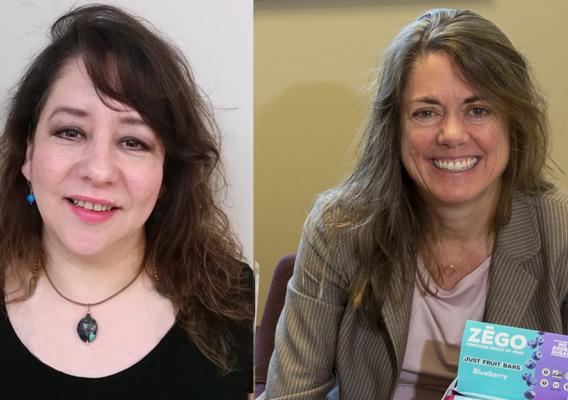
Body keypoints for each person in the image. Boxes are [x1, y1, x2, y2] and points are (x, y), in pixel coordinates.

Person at [262, 8, 568, 400]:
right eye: (426, 112)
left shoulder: (559, 231)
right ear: (395, 128)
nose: (452, 134)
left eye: (478, 110)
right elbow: (293, 393)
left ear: (513, 122)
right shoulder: (339, 227)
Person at [0, 4, 253, 399]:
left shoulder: (235, 301)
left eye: (133, 141)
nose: (99, 171)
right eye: (70, 132)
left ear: (168, 174)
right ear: (28, 153)